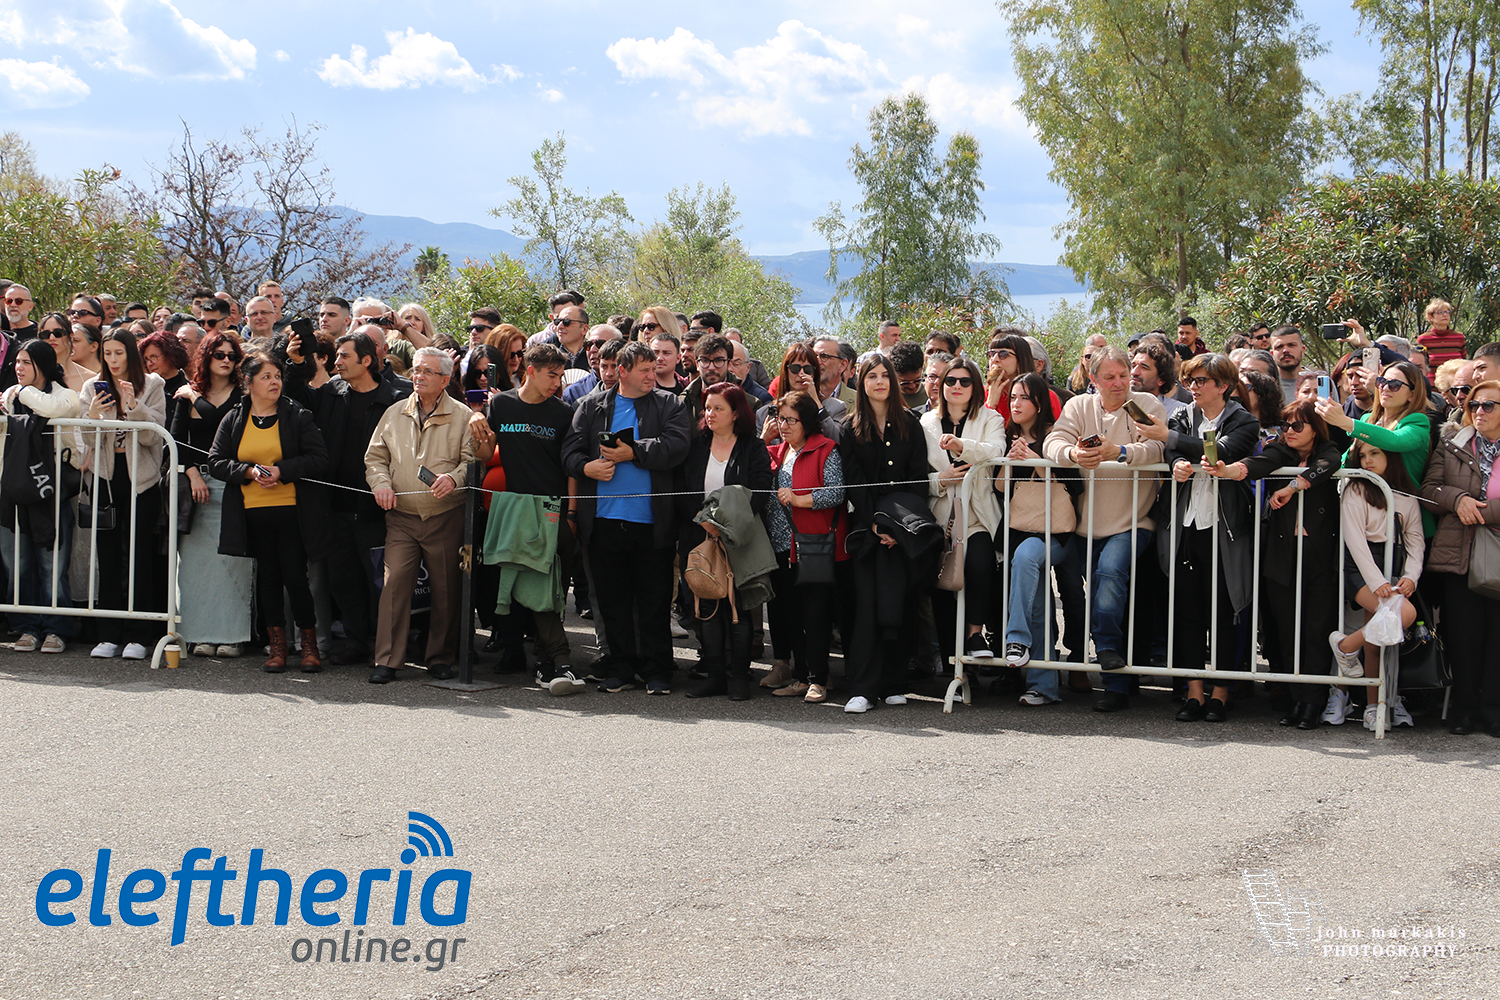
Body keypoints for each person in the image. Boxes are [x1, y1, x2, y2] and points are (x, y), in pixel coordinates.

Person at [562, 340, 692, 695]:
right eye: (645, 370)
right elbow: (569, 452)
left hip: (652, 522)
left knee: (654, 601)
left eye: (654, 369)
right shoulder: (591, 406)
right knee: (612, 602)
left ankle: (657, 670)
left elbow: (677, 446)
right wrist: (586, 467)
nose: (652, 375)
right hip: (603, 522)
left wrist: (633, 452)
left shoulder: (670, 404)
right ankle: (619, 668)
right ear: (622, 371)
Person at [1043, 346, 1167, 711]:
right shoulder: (1079, 406)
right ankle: (1116, 684)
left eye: (1124, 375)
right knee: (1099, 593)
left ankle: (1108, 651)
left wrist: (1121, 453)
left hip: (1133, 521)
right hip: (1083, 525)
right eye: (1109, 377)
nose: (1119, 383)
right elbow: (1053, 441)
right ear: (1093, 379)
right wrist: (1073, 455)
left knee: (1110, 576)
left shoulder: (1145, 405)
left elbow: (1158, 447)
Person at [1210, 401, 1346, 728]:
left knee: (1316, 630)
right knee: (1287, 630)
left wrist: (1292, 486)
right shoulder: (1279, 451)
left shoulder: (1328, 449)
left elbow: (1329, 464)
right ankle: (1297, 698)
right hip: (1281, 554)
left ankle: (1313, 702)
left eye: (1298, 426)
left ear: (1315, 428)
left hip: (1320, 555)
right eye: (1286, 425)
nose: (1289, 432)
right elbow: (1256, 464)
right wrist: (1228, 470)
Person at [282, 328, 408, 667]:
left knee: (379, 582)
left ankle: (383, 645)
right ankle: (356, 642)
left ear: (366, 361)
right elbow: (295, 399)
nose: (337, 361)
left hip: (379, 507)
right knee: (343, 579)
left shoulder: (396, 398)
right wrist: (296, 364)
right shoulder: (332, 392)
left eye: (344, 356)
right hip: (335, 506)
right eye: (337, 355)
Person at [1151, 354, 1261, 722]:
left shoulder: (1244, 420)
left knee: (1224, 612)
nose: (1193, 387)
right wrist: (1176, 464)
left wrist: (1173, 441)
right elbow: (1172, 452)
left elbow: (1221, 453)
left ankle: (1221, 693)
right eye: (1190, 380)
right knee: (1188, 612)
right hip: (1186, 525)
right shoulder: (1183, 416)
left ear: (1223, 386)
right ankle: (1194, 692)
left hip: (1225, 527)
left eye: (1201, 381)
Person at [471, 343, 585, 695]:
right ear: (530, 372)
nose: (557, 382)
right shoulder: (502, 404)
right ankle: (538, 660)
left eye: (560, 375)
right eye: (551, 375)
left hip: (553, 511)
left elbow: (571, 467)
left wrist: (571, 513)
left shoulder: (564, 412)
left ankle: (551, 662)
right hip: (516, 511)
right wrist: (476, 421)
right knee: (518, 588)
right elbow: (485, 453)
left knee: (551, 591)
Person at [206, 353, 327, 673]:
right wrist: (247, 471)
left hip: (291, 511)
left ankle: (309, 646)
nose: (274, 382)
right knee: (268, 579)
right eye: (266, 377)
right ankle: (277, 647)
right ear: (248, 382)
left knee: (295, 578)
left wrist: (282, 471)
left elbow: (319, 459)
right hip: (252, 512)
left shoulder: (296, 414)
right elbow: (216, 461)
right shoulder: (234, 417)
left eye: (277, 376)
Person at [364, 347, 478, 684]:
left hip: (446, 514)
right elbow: (375, 458)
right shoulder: (395, 412)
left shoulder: (463, 416)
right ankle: (387, 660)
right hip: (401, 516)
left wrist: (454, 479)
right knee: (394, 584)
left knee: (446, 588)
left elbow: (473, 461)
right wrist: (381, 485)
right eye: (416, 370)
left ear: (445, 379)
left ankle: (440, 657)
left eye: (428, 371)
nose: (419, 376)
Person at [839, 354, 934, 714]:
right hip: (867, 530)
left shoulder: (911, 424)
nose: (879, 382)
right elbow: (854, 483)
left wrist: (900, 529)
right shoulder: (849, 428)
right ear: (861, 383)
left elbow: (918, 480)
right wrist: (875, 524)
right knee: (867, 606)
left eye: (884, 375)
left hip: (904, 530)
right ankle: (864, 688)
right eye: (871, 376)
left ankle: (895, 682)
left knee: (901, 604)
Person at [674, 382, 773, 700]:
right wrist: (702, 520)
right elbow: (681, 488)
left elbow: (761, 490)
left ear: (736, 413)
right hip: (699, 537)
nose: (710, 414)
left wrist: (725, 524)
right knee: (706, 609)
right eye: (707, 408)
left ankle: (740, 678)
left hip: (737, 539)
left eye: (718, 408)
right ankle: (715, 676)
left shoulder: (752, 447)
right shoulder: (696, 446)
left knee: (737, 610)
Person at [77, 329, 167, 661]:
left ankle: (138, 635)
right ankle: (108, 634)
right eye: (108, 353)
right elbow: (88, 439)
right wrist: (93, 415)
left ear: (130, 353)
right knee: (109, 556)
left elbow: (152, 437)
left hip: (141, 480)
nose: (113, 360)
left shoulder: (153, 384)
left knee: (140, 556)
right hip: (106, 478)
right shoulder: (92, 387)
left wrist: (134, 406)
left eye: (119, 353)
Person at [1421, 379, 1500, 734]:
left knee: (1497, 636)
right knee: (1463, 635)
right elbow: (1429, 489)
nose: (1479, 411)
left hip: (1496, 549)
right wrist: (1458, 500)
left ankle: (1493, 710)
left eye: (1489, 405)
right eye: (1474, 405)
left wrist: (1483, 512)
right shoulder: (1453, 442)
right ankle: (1463, 709)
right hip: (1458, 552)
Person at [1330, 442, 1425, 731]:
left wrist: (1410, 577)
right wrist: (1377, 581)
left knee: (1376, 643)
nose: (1368, 461)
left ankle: (1372, 705)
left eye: (1375, 453)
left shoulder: (1407, 496)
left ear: (1390, 456)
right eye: (1363, 455)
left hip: (1393, 564)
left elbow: (1416, 542)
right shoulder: (1355, 489)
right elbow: (1355, 541)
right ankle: (1347, 648)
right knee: (1405, 614)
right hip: (1359, 566)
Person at [169, 332, 253, 658]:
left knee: (232, 564)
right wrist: (192, 475)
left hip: (233, 484)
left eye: (232, 355)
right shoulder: (185, 395)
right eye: (219, 354)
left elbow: (222, 421)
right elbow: (175, 440)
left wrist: (194, 397)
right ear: (206, 357)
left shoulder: (243, 396)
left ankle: (232, 637)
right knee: (195, 566)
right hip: (196, 484)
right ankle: (199, 634)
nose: (226, 360)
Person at [761, 389, 846, 703]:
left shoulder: (826, 449)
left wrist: (800, 500)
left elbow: (836, 492)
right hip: (781, 546)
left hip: (813, 545)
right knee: (790, 614)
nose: (783, 425)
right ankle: (800, 676)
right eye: (780, 418)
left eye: (790, 420)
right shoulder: (777, 452)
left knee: (816, 614)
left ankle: (818, 680)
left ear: (807, 421)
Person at [921, 355, 1005, 661]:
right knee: (944, 588)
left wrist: (962, 445)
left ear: (976, 386)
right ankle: (952, 665)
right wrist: (941, 480)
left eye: (965, 381)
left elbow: (997, 450)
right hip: (940, 520)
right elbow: (917, 474)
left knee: (981, 566)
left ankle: (975, 635)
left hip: (978, 516)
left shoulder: (990, 418)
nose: (957, 386)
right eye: (950, 380)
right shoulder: (925, 423)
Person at [0, 340, 81, 653]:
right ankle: (26, 627)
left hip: (51, 494)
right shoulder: (9, 397)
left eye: (26, 362)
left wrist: (20, 392)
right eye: (17, 362)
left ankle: (55, 629)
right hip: (12, 493)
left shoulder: (64, 394)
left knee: (52, 566)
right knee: (17, 564)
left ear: (43, 366)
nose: (18, 368)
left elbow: (55, 409)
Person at [998, 372, 1075, 704]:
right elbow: (1000, 489)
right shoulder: (1008, 437)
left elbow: (1074, 485)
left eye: (1023, 398)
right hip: (1020, 528)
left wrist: (1036, 460)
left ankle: (1016, 638)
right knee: (1040, 604)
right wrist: (1009, 461)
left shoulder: (1058, 436)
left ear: (1040, 403)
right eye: (1013, 397)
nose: (1016, 404)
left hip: (1057, 533)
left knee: (1028, 554)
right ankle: (1044, 686)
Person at [1316, 359, 1433, 533]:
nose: (1385, 388)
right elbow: (1345, 463)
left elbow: (1396, 440)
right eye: (1381, 381)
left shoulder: (1418, 421)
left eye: (1394, 385)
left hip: (1406, 523)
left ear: (1412, 394)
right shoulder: (1367, 420)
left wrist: (1347, 423)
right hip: (1368, 516)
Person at [758, 344, 845, 445]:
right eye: (795, 368)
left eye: (808, 369)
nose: (801, 374)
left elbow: (838, 442)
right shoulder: (764, 414)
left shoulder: (835, 407)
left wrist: (817, 403)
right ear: (786, 372)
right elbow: (755, 454)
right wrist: (764, 440)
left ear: (815, 374)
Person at [139, 331, 190, 397]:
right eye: (146, 359)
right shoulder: (144, 391)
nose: (149, 364)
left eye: (154, 357)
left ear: (170, 355)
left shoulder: (189, 390)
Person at [1417, 298, 1464, 366]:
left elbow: (1464, 363)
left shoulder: (1459, 338)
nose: (1445, 315)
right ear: (1430, 317)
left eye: (1447, 312)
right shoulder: (1423, 339)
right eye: (1440, 312)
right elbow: (1418, 365)